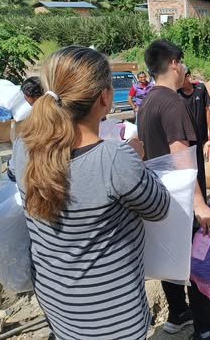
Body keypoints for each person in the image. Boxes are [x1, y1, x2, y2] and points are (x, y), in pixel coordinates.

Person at [12, 46, 170, 340]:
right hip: (113, 318)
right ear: (105, 97)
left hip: (57, 305)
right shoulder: (114, 159)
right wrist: (136, 159)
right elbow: (159, 207)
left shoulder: (23, 148)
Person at [137, 40, 210, 340]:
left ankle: (178, 313)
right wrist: (200, 205)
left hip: (159, 197)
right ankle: (205, 329)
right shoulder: (173, 102)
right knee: (197, 262)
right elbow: (182, 159)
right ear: (175, 63)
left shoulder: (148, 101)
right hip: (181, 200)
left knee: (173, 257)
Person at [178, 65, 210, 200]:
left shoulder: (201, 89)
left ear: (188, 76)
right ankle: (191, 200)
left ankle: (202, 199)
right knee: (188, 169)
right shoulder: (176, 94)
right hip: (186, 139)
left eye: (181, 77)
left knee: (200, 169)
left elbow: (207, 111)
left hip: (201, 137)